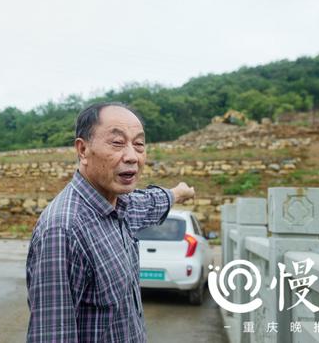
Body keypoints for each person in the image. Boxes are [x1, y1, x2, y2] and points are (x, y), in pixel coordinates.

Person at [26, 102, 195, 342]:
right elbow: (53, 335)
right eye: (117, 143)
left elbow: (151, 202)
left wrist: (179, 192)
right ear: (83, 150)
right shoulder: (64, 230)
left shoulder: (121, 204)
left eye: (138, 144)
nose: (132, 157)